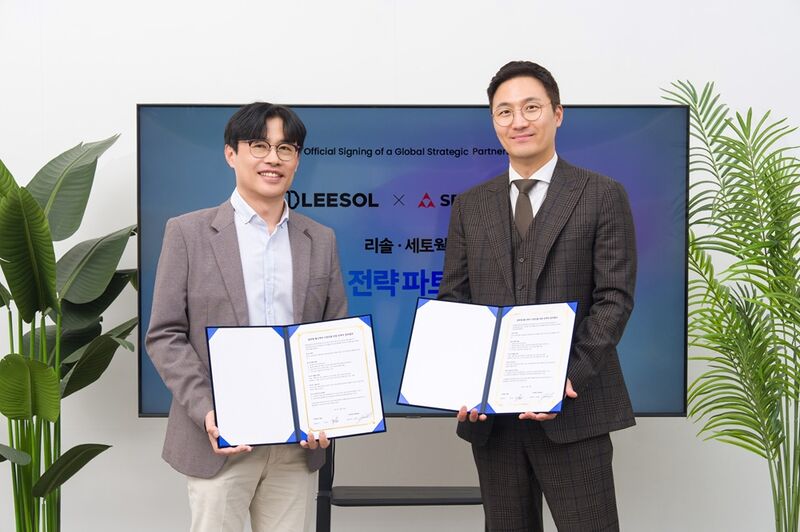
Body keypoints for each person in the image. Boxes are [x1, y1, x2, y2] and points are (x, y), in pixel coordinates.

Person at [439, 61, 637, 531]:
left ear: (557, 113)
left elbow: (614, 298)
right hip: (494, 423)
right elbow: (454, 300)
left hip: (574, 410)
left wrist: (567, 378)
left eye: (531, 107)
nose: (518, 121)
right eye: (504, 111)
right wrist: (461, 381)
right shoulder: (470, 205)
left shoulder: (601, 194)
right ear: (494, 121)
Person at [146, 102, 347, 532]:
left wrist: (329, 411)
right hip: (220, 440)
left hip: (296, 446)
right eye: (259, 145)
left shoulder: (320, 240)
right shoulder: (187, 233)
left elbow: (334, 337)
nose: (273, 158)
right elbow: (165, 334)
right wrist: (207, 410)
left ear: (297, 160)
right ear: (230, 154)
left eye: (285, 148)